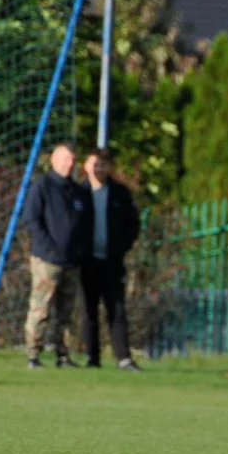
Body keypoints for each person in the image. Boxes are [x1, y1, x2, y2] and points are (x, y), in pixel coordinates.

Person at [21, 143, 92, 369]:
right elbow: (31, 220)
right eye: (64, 159)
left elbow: (84, 224)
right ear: (54, 160)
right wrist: (49, 248)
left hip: (71, 261)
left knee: (66, 313)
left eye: (72, 160)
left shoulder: (78, 192)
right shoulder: (42, 187)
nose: (68, 164)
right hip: (47, 261)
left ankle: (63, 355)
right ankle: (33, 355)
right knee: (41, 309)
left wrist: (79, 250)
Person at [81, 148, 142, 372]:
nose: (100, 168)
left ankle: (123, 358)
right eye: (95, 164)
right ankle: (92, 358)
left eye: (104, 164)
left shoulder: (120, 194)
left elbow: (133, 224)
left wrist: (120, 248)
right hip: (86, 262)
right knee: (88, 311)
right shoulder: (79, 193)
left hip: (112, 262)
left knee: (116, 309)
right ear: (86, 166)